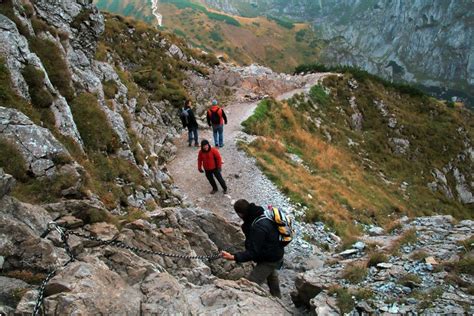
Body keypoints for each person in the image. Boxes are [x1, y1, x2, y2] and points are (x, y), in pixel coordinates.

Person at [221, 199, 284, 298]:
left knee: (250, 283)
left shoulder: (257, 227)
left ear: (240, 214)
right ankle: (277, 297)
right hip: (276, 252)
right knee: (271, 275)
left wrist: (233, 257)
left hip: (269, 258)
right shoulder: (261, 214)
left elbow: (253, 252)